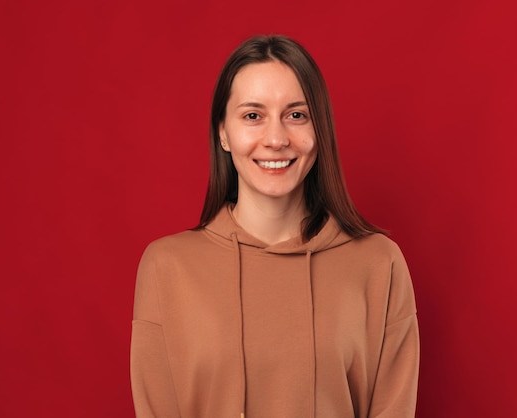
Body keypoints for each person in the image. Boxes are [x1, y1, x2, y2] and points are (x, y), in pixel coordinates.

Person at [130, 35, 419, 418]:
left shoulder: (379, 264)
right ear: (223, 133)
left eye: (296, 115)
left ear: (320, 130)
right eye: (253, 116)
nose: (276, 139)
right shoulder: (167, 266)